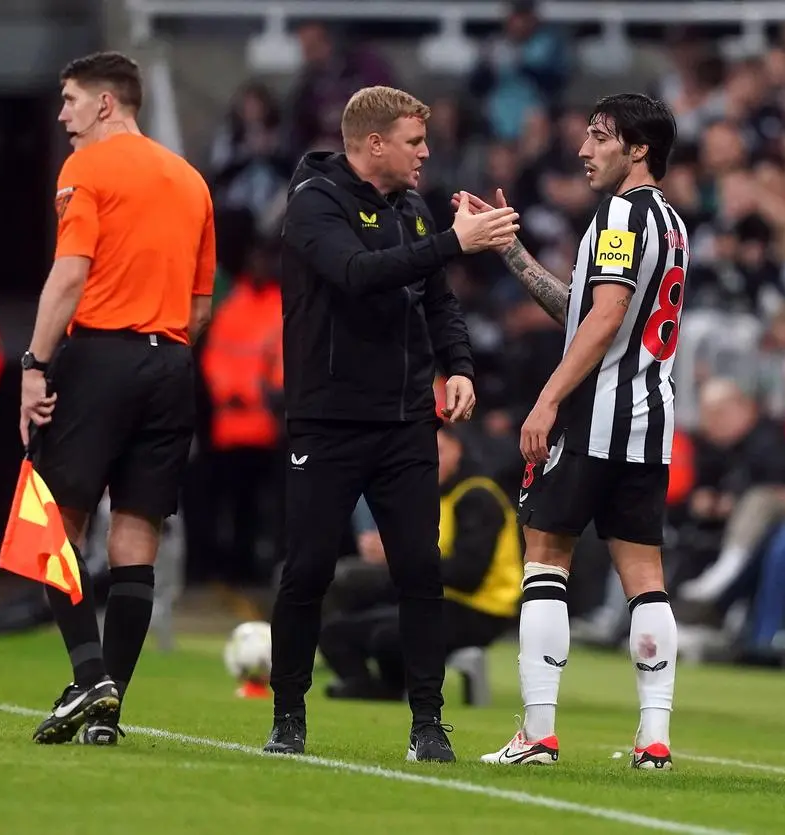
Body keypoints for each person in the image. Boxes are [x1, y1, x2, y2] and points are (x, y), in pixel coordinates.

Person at [264, 85, 520, 762]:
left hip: (406, 420)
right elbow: (355, 274)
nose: (425, 153)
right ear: (373, 143)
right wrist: (452, 243)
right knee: (310, 568)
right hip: (328, 419)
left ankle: (427, 722)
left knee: (419, 570)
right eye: (413, 141)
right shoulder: (313, 202)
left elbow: (436, 302)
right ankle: (288, 713)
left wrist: (458, 365)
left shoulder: (411, 208)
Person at [461, 93, 688, 770]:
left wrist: (546, 399)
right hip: (649, 421)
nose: (584, 150)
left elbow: (605, 315)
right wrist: (513, 252)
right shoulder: (670, 222)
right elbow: (581, 310)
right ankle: (653, 738)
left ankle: (537, 732)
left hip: (595, 414)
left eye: (598, 136)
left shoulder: (619, 213)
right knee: (644, 575)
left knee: (546, 555)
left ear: (637, 148)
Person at [20, 51, 216, 745]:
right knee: (136, 536)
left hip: (101, 354)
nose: (63, 115)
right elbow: (199, 304)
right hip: (172, 365)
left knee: (51, 525)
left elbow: (69, 276)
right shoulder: (191, 182)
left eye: (71, 99)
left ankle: (89, 674)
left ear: (108, 103)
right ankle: (107, 711)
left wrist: (35, 364)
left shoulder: (87, 169)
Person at [319, 424, 522, 700]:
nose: (430, 459)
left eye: (439, 450)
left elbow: (467, 575)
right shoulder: (434, 496)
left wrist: (398, 555)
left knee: (388, 636)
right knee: (336, 632)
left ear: (459, 452)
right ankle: (370, 686)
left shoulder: (478, 497)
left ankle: (389, 687)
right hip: (436, 599)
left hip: (480, 611)